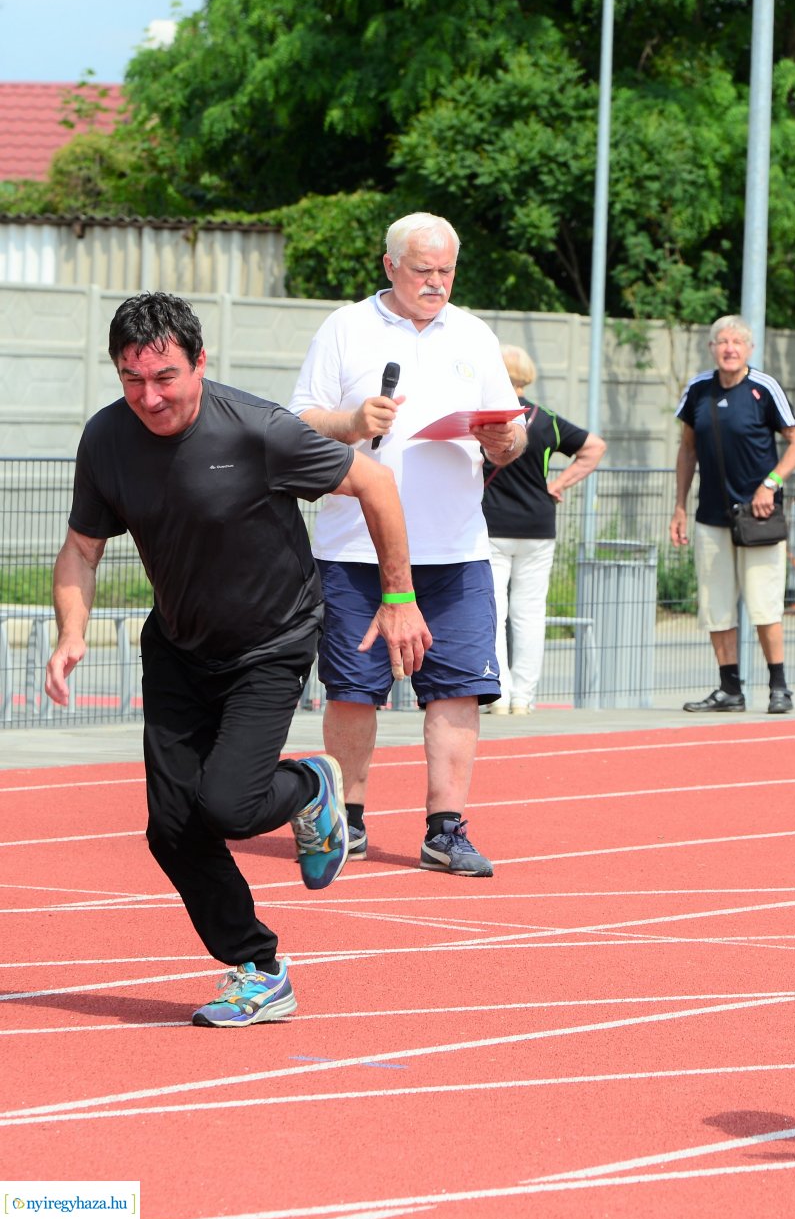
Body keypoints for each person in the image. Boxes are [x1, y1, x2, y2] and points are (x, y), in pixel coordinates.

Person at [47, 292, 430, 1026]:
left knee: (225, 805)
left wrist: (399, 597)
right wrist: (73, 629)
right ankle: (259, 968)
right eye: (132, 380)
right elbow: (82, 548)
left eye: (164, 377)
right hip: (179, 650)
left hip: (269, 644)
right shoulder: (106, 440)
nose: (149, 397)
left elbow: (374, 482)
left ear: (199, 363)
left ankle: (310, 787)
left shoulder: (258, 430)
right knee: (171, 829)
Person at [290, 212, 526, 878]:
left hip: (455, 549)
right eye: (423, 270)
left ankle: (445, 829)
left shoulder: (474, 333)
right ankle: (349, 820)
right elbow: (299, 419)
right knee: (354, 690)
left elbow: (511, 431)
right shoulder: (345, 327)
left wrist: (506, 441)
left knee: (457, 691)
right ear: (390, 265)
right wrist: (350, 420)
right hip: (354, 549)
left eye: (446, 271)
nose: (436, 283)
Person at [669, 315, 795, 713]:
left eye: (737, 342)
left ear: (749, 349)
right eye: (722, 341)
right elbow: (687, 449)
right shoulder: (698, 389)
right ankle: (729, 689)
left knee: (765, 603)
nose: (729, 348)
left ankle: (779, 687)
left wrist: (771, 484)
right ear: (712, 348)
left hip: (758, 515)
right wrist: (679, 506)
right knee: (715, 605)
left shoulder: (764, 389)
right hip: (710, 515)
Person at [482, 344, 606, 715]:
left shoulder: (486, 421)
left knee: (494, 611)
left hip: (492, 525)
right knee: (530, 614)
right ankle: (524, 697)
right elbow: (594, 447)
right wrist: (560, 485)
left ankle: (498, 695)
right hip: (538, 525)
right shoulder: (546, 419)